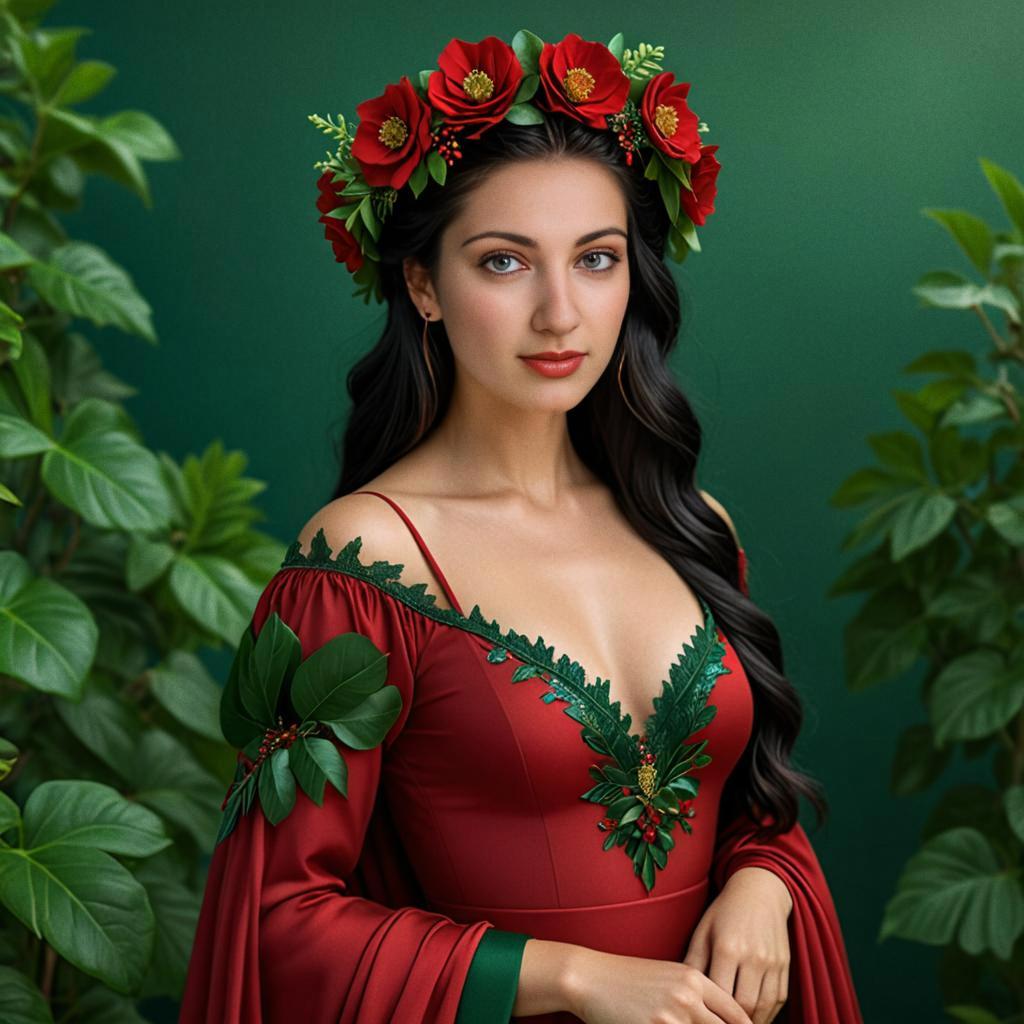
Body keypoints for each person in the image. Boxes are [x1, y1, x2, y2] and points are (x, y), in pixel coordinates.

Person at [180, 30, 863, 1024]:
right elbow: (277, 917)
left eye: (596, 259)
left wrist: (765, 880)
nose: (559, 312)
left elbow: (746, 802)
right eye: (503, 262)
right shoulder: (361, 563)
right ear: (422, 284)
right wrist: (572, 976)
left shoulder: (691, 523)